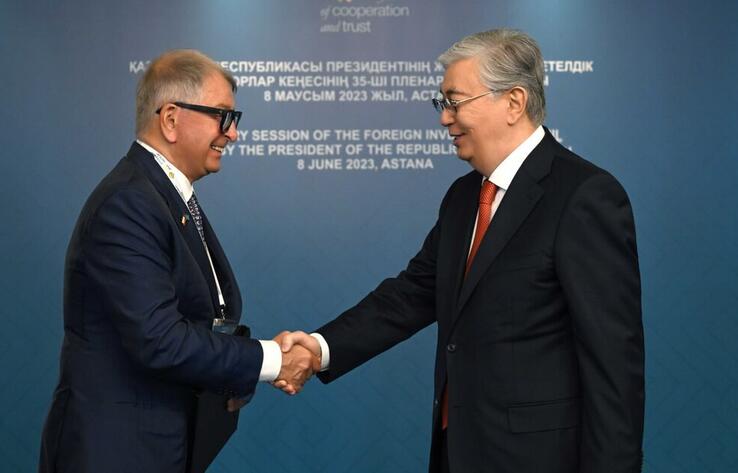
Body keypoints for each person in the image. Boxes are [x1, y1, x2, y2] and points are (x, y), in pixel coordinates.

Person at [278, 29, 645, 473]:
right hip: (457, 454)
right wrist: (319, 348)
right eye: (442, 103)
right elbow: (412, 294)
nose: (444, 119)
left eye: (455, 102)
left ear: (514, 102)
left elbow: (613, 363)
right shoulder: (463, 196)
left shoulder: (583, 195)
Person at [39, 49, 318, 473]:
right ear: (170, 119)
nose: (232, 134)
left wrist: (242, 366)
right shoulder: (129, 203)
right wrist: (273, 359)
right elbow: (160, 340)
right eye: (223, 116)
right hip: (116, 454)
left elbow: (203, 318)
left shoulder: (163, 196)